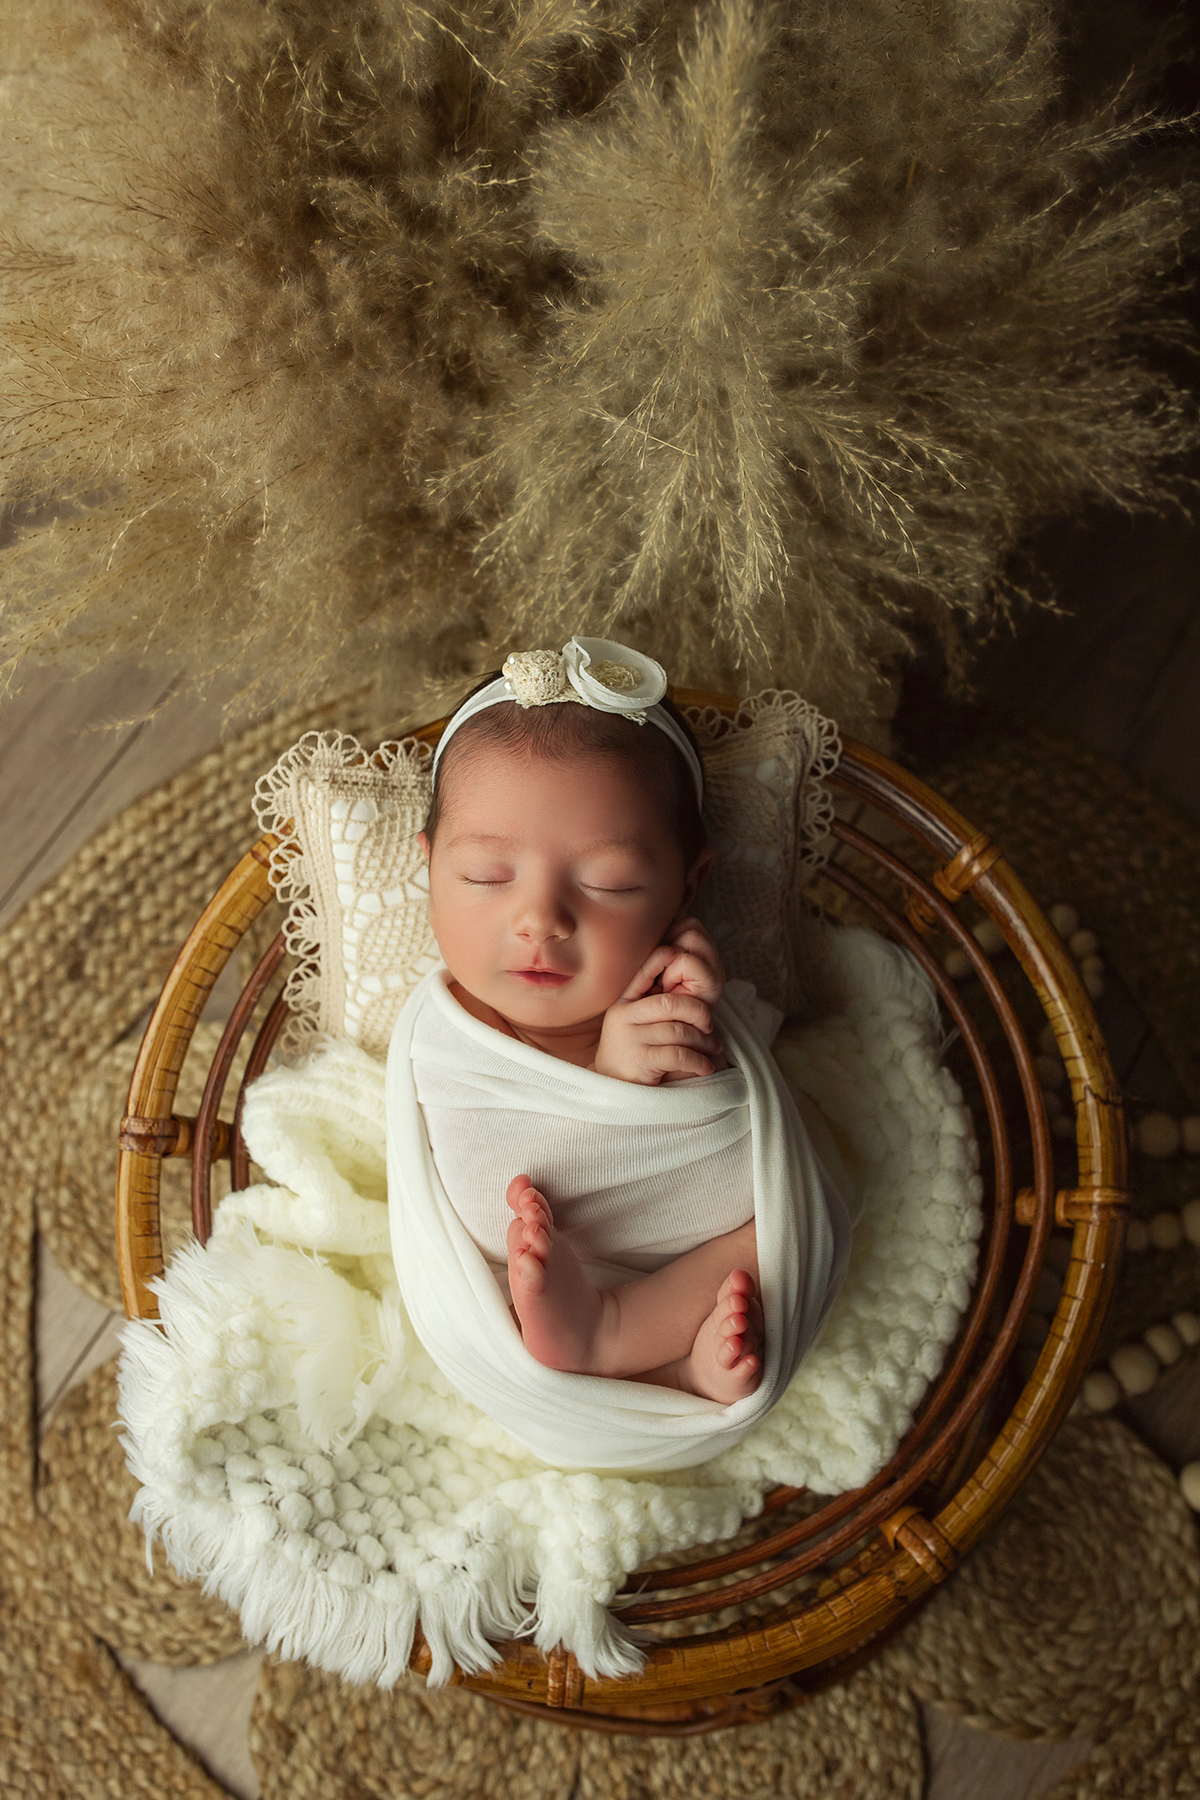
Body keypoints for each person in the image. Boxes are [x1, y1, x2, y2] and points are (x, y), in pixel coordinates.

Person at [386, 639, 855, 1434]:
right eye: (486, 877)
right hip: (524, 1276)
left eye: (608, 884)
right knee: (511, 1224)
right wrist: (609, 1084)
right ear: (429, 866)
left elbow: (749, 1140)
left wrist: (686, 1040)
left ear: (686, 886)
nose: (540, 920)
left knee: (807, 1207)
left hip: (683, 1258)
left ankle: (642, 1351)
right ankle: (644, 1356)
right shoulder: (445, 1036)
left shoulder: (673, 981)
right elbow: (490, 1178)